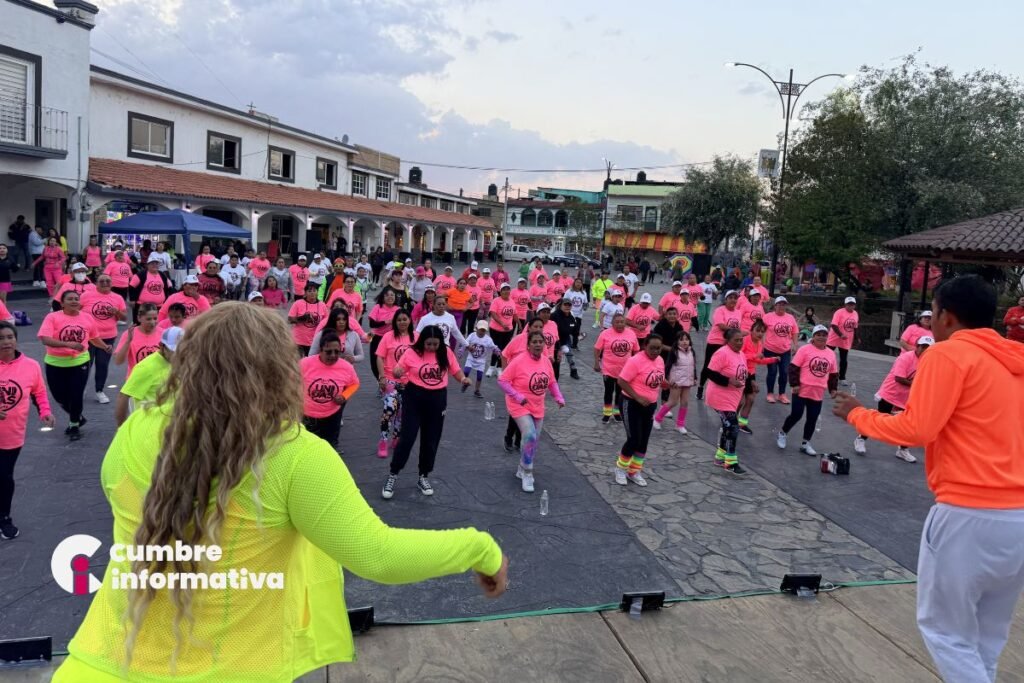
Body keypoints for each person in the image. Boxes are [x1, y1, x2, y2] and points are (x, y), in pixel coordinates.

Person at [53, 304, 508, 683]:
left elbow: (123, 497)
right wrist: (480, 548)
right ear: (278, 371)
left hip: (98, 664)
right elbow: (378, 554)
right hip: (230, 670)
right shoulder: (294, 456)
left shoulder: (136, 430)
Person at [833, 275, 1024, 683]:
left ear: (947, 317)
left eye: (933, 313)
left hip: (967, 514)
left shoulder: (946, 356)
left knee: (946, 632)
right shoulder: (1017, 362)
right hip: (1017, 519)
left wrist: (856, 415)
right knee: (987, 637)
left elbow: (917, 429)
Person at [383, 325, 471, 499]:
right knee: (407, 438)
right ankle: (393, 474)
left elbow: (455, 370)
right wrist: (398, 371)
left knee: (431, 439)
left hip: (437, 399)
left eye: (434, 344)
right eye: (428, 344)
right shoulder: (412, 352)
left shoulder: (445, 351)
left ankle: (423, 475)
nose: (431, 347)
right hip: (415, 396)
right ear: (422, 341)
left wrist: (463, 378)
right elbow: (398, 369)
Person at [0, 321, 55, 540]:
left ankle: (4, 518)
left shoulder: (31, 366)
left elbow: (39, 392)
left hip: (12, 433)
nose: (6, 342)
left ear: (16, 339)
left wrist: (45, 412)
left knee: (4, 476)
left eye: (9, 337)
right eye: (1, 338)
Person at [37, 291, 110, 441]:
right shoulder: (53, 317)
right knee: (60, 397)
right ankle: (78, 416)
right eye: (70, 299)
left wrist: (104, 347)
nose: (74, 301)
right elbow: (45, 339)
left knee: (76, 394)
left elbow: (94, 337)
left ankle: (74, 424)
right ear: (62, 303)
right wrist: (67, 344)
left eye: (76, 299)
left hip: (80, 362)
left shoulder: (87, 318)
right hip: (55, 362)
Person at [498, 330, 565, 492]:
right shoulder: (519, 360)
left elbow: (552, 381)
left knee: (533, 441)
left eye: (540, 342)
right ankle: (528, 472)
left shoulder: (546, 361)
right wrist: (518, 396)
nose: (537, 345)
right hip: (518, 404)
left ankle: (522, 466)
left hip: (537, 405)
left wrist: (558, 397)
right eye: (534, 342)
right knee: (529, 435)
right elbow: (503, 381)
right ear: (528, 345)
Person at [853, 336, 935, 462]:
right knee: (880, 419)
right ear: (917, 346)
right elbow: (899, 378)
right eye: (923, 347)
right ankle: (860, 439)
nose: (925, 350)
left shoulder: (929, 362)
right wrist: (919, 385)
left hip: (907, 398)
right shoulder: (906, 357)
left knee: (908, 424)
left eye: (928, 348)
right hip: (890, 393)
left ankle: (902, 450)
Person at [776, 324, 838, 455]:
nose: (821, 337)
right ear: (813, 337)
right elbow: (793, 368)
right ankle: (782, 433)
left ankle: (806, 443)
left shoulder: (831, 354)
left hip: (818, 392)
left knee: (812, 418)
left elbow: (833, 374)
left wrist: (833, 389)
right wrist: (795, 384)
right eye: (818, 335)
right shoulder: (805, 349)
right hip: (801, 390)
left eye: (824, 335)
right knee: (796, 415)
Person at [613, 334, 665, 487]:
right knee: (634, 438)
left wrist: (668, 384)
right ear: (644, 346)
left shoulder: (660, 360)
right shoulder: (635, 361)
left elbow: (658, 378)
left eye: (658, 348)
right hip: (631, 404)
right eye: (652, 348)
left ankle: (634, 470)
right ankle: (621, 468)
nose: (655, 351)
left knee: (643, 440)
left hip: (650, 405)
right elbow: (622, 381)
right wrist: (637, 397)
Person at [301, 329, 359, 449]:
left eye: (336, 352)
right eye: (328, 352)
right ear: (320, 350)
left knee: (329, 447)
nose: (333, 355)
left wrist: (344, 396)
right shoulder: (305, 364)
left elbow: (354, 384)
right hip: (308, 415)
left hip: (332, 414)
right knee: (306, 447)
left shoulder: (346, 367)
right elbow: (291, 380)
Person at [703, 328, 749, 475]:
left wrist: (751, 382)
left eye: (741, 339)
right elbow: (709, 372)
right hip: (719, 397)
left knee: (727, 426)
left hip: (733, 398)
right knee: (733, 427)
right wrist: (728, 380)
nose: (740, 343)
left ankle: (720, 456)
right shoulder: (722, 353)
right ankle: (731, 462)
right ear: (728, 341)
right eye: (736, 340)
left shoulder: (741, 354)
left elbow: (744, 372)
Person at [114, 325, 180, 426]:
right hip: (148, 425)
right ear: (162, 346)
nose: (178, 355)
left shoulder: (183, 362)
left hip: (173, 424)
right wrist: (121, 429)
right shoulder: (146, 367)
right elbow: (124, 396)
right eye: (174, 351)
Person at [80, 274, 128, 404]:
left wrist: (116, 312)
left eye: (108, 281)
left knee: (102, 365)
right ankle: (81, 389)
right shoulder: (86, 296)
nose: (105, 283)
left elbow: (124, 318)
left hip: (107, 337)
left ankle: (99, 391)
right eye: (102, 281)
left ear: (112, 283)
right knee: (85, 365)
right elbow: (76, 312)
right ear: (96, 283)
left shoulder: (117, 298)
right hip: (88, 338)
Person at [375, 311, 415, 459]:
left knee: (402, 413)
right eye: (399, 320)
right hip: (391, 380)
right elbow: (379, 357)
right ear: (395, 322)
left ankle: (396, 438)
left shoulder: (416, 337)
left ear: (410, 320)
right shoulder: (388, 336)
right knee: (389, 411)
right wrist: (382, 377)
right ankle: (383, 441)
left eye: (405, 319)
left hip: (410, 383)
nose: (402, 322)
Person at [593, 312, 639, 424]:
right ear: (612, 323)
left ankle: (617, 412)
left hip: (625, 371)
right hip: (608, 369)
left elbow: (636, 350)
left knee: (620, 393)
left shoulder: (631, 334)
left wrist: (636, 366)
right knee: (608, 392)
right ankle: (607, 413)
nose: (620, 324)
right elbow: (597, 348)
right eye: (617, 322)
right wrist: (596, 362)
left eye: (622, 322)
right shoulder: (605, 333)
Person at [697, 289, 741, 400]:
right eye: (730, 298)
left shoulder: (738, 312)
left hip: (729, 344)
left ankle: (719, 390)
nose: (733, 300)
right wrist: (737, 332)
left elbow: (738, 328)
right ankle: (701, 387)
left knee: (724, 368)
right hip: (715, 342)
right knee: (709, 366)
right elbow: (721, 326)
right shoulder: (720, 310)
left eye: (735, 298)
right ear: (725, 299)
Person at [738, 319, 779, 435]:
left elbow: (758, 360)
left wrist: (772, 360)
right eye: (758, 331)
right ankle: (730, 422)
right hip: (740, 372)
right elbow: (739, 356)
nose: (760, 334)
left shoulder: (760, 344)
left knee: (750, 399)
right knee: (739, 401)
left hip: (751, 373)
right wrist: (756, 355)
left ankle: (742, 424)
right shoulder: (744, 340)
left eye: (762, 331)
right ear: (751, 331)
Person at [653, 330, 696, 434]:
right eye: (681, 340)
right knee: (673, 401)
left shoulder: (692, 351)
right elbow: (667, 366)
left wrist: (694, 377)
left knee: (685, 403)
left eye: (687, 339)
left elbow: (693, 366)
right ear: (677, 342)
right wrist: (667, 379)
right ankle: (657, 419)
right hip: (676, 381)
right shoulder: (674, 352)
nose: (685, 342)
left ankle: (680, 425)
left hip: (688, 381)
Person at [762, 296, 799, 403]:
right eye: (779, 304)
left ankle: (781, 394)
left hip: (785, 350)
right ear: (775, 306)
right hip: (770, 349)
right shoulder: (768, 316)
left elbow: (795, 331)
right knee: (772, 371)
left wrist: (795, 345)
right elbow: (760, 330)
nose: (781, 306)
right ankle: (770, 393)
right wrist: (760, 345)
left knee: (784, 372)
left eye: (784, 304)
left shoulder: (790, 318)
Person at [113, 303, 162, 379]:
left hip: (158, 380)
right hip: (136, 381)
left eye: (155, 318)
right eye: (148, 319)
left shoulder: (163, 333)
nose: (152, 322)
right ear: (139, 318)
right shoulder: (129, 334)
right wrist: (128, 341)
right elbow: (118, 361)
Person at [289, 283, 329, 356]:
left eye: (314, 290)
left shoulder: (322, 305)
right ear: (305, 292)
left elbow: (326, 322)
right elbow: (290, 320)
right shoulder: (298, 303)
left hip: (314, 341)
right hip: (298, 340)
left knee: (310, 363)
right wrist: (301, 318)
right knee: (298, 363)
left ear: (317, 292)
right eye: (309, 291)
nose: (312, 293)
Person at [463, 321, 500, 397]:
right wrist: (464, 349)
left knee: (479, 376)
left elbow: (493, 347)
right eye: (480, 330)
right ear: (476, 328)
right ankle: (466, 383)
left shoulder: (488, 339)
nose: (482, 332)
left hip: (481, 361)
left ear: (486, 331)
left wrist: (497, 352)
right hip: (471, 358)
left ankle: (477, 390)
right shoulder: (472, 335)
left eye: (484, 330)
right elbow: (465, 343)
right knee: (466, 372)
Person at [826, 296, 859, 384]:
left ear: (855, 305)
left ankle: (842, 377)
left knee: (844, 359)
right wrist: (840, 334)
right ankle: (825, 374)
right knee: (827, 356)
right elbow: (833, 325)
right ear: (845, 304)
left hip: (846, 339)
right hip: (834, 337)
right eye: (849, 304)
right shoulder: (839, 312)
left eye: (852, 304)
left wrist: (856, 338)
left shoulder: (855, 313)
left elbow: (855, 327)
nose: (850, 306)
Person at [486, 283, 517, 377]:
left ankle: (499, 368)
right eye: (504, 289)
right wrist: (502, 324)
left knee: (504, 350)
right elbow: (493, 314)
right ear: (501, 291)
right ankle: (491, 367)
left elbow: (514, 314)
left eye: (508, 289)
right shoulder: (496, 301)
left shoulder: (512, 301)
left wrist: (520, 325)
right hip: (496, 329)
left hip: (508, 330)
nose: (506, 291)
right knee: (496, 348)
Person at [129, 256, 171, 322]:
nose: (155, 265)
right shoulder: (140, 274)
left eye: (156, 263)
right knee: (140, 324)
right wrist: (132, 299)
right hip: (143, 306)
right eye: (152, 263)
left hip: (159, 306)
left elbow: (169, 287)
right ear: (147, 265)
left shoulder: (162, 275)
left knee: (157, 325)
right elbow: (132, 286)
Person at [550, 298, 579, 380]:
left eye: (569, 305)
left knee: (569, 354)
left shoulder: (571, 317)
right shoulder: (554, 315)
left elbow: (574, 329)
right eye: (565, 304)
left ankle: (573, 370)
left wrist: (576, 336)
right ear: (560, 305)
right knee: (554, 361)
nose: (567, 306)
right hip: (554, 341)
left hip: (565, 339)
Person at [564, 277, 588, 349]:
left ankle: (574, 345)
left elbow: (585, 303)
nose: (578, 284)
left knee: (576, 330)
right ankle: (565, 342)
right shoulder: (569, 292)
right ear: (574, 283)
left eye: (580, 283)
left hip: (579, 315)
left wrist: (585, 307)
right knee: (568, 329)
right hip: (569, 314)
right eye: (577, 282)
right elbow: (564, 301)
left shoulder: (583, 293)